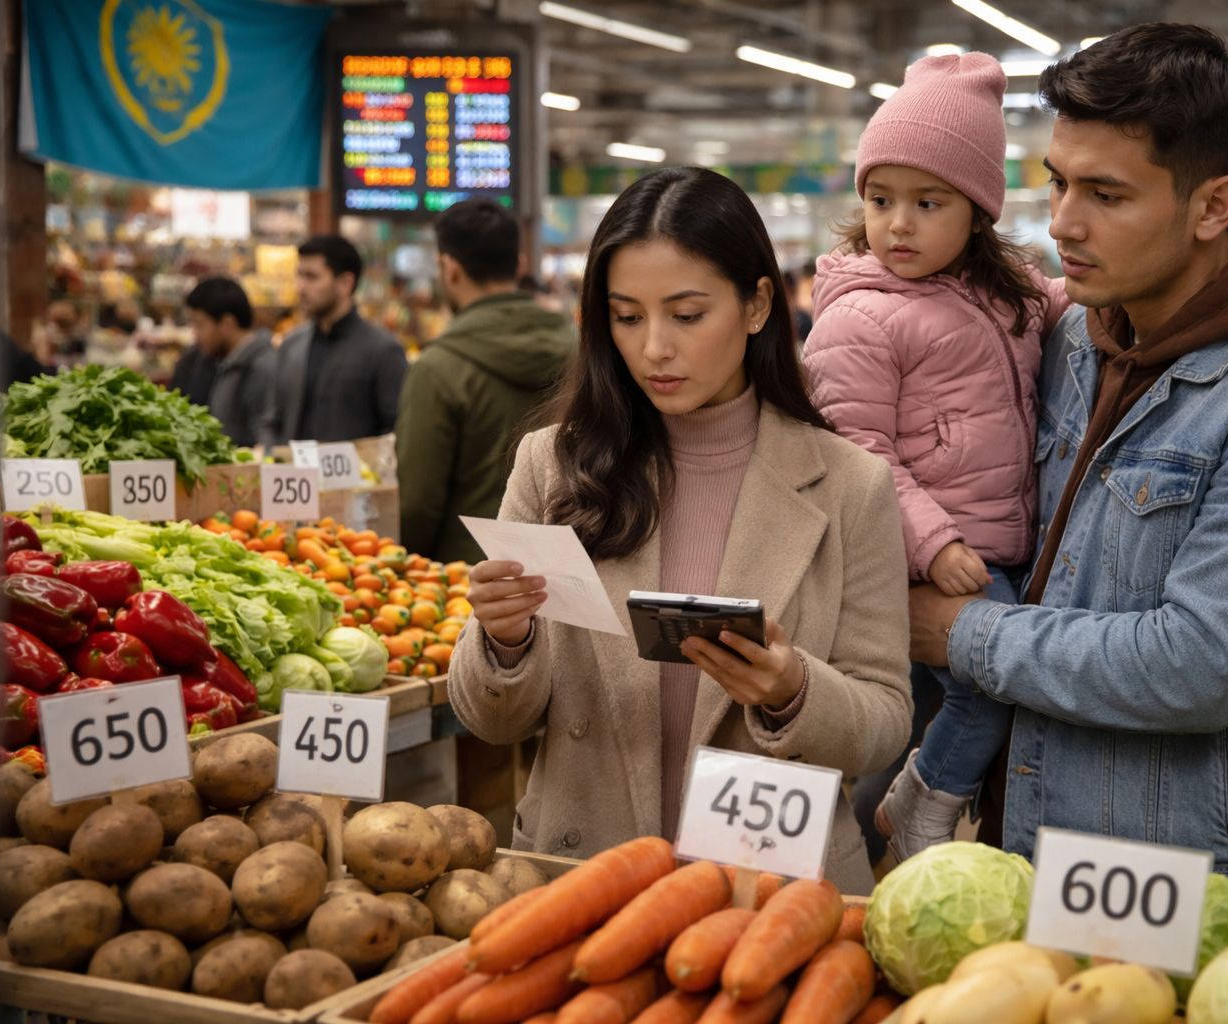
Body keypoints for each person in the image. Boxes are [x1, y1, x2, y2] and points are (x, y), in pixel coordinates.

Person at [907, 24, 1228, 888]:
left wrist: (965, 636)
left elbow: (1201, 665)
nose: (1062, 222)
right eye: (1057, 182)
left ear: (1212, 205)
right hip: (1023, 848)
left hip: (1184, 884)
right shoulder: (1070, 341)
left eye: (1107, 194)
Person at [448, 167, 912, 893]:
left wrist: (793, 690)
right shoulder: (552, 466)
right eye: (627, 317)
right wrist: (505, 643)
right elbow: (491, 722)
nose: (654, 348)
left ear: (758, 304)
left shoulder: (851, 484)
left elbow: (885, 720)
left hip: (774, 897)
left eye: (687, 315)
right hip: (580, 879)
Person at [803, 52, 1069, 862]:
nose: (899, 225)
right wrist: (933, 542)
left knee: (906, 710)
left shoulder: (1005, 292)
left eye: (929, 202)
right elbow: (855, 449)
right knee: (989, 688)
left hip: (993, 539)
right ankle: (926, 806)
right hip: (931, 551)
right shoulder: (864, 316)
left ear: (977, 212)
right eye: (880, 200)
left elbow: (1061, 307)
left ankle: (853, 837)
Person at [396, 199, 574, 564]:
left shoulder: (438, 367)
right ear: (520, 264)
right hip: (567, 574)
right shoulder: (583, 352)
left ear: (450, 269)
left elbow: (417, 502)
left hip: (469, 578)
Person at [263, 235, 409, 444]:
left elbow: (396, 430)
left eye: (312, 277)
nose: (301, 288)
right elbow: (272, 419)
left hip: (358, 476)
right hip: (292, 474)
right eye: (299, 275)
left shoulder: (383, 350)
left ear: (345, 283)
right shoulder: (291, 344)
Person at [183, 277, 276, 448]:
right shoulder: (227, 362)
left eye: (200, 325)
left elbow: (266, 442)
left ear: (227, 324)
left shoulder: (262, 368)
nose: (195, 335)